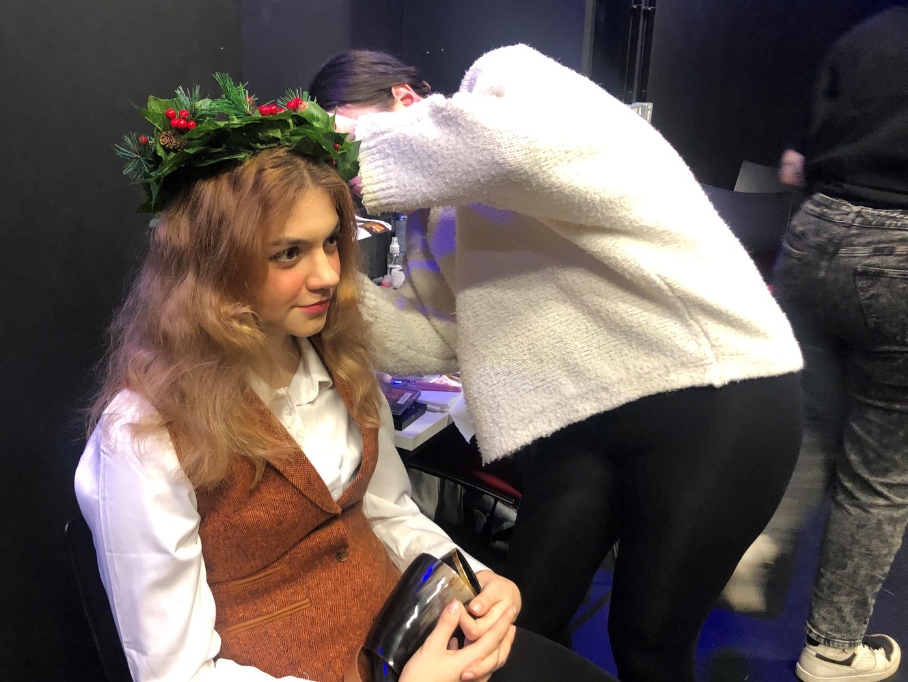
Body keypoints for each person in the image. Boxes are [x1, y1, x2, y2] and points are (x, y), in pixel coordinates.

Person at [76, 77, 615, 682]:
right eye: (290, 253)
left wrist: (472, 577)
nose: (329, 273)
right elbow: (177, 673)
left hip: (411, 640)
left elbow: (385, 511)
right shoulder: (144, 438)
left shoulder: (337, 359)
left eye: (332, 242)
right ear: (213, 268)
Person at [309, 46, 805, 682]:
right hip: (587, 417)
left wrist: (340, 154)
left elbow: (518, 152)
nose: (342, 168)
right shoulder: (430, 219)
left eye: (344, 135)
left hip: (716, 393)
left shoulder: (508, 78)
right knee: (515, 621)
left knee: (648, 642)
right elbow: (437, 339)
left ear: (404, 100)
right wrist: (327, 285)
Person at [767, 6, 908, 681]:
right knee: (880, 473)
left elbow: (795, 164)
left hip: (814, 233)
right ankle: (832, 650)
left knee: (805, 420)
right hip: (903, 249)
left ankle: (755, 537)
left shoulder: (868, 32)